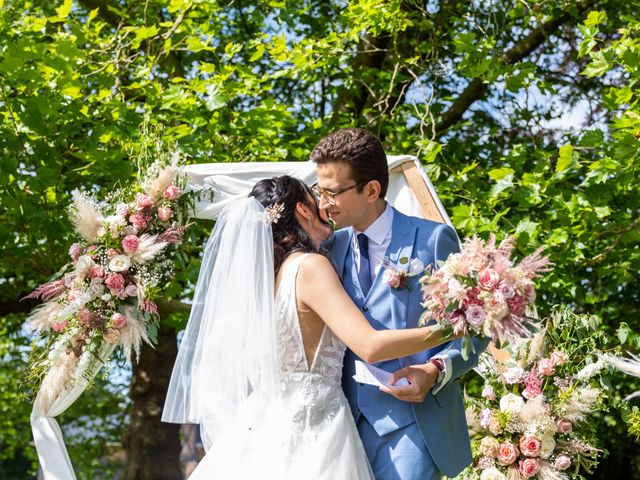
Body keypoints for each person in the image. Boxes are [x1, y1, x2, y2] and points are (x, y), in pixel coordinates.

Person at [161, 175, 459, 479]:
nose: (324, 204)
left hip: (269, 426)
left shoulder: (265, 281)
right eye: (316, 196)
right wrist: (456, 328)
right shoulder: (310, 267)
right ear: (304, 210)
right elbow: (369, 345)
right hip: (317, 427)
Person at [311, 127, 488, 480]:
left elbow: (477, 325)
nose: (322, 203)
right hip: (343, 424)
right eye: (320, 191)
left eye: (332, 193)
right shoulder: (329, 249)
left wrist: (435, 369)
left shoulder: (432, 240)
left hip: (414, 423)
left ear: (372, 189)